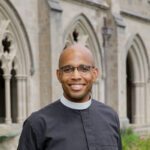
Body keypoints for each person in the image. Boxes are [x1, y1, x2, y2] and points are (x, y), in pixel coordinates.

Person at [17, 44, 122, 150]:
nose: (76, 76)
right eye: (68, 69)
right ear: (59, 75)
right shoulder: (37, 124)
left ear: (94, 74)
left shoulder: (110, 117)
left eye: (84, 69)